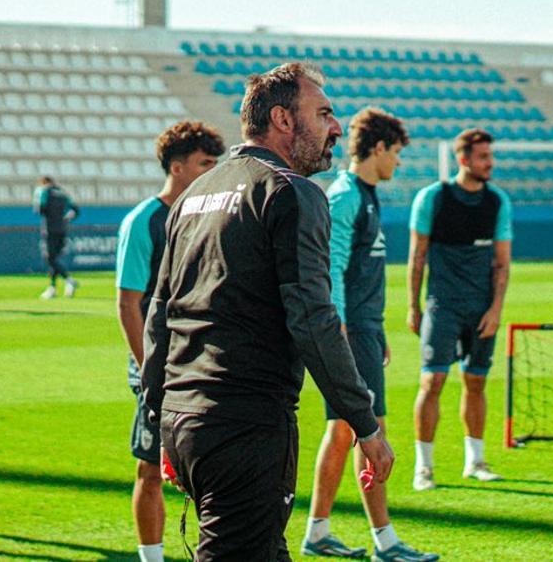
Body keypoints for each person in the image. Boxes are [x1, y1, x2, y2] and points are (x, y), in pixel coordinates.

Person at [141, 63, 394, 561]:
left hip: (183, 419)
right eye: (323, 114)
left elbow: (161, 314)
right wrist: (366, 425)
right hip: (246, 425)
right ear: (282, 119)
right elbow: (313, 320)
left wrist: (158, 417)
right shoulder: (292, 192)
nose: (336, 128)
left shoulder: (195, 194)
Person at [302, 108, 437, 562]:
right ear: (378, 148)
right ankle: (386, 542)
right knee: (369, 431)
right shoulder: (345, 197)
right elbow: (331, 266)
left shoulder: (368, 194)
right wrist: (340, 329)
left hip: (364, 329)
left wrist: (375, 331)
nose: (398, 163)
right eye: (396, 153)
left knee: (343, 431)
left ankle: (318, 533)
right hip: (349, 331)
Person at [116, 121, 225, 562]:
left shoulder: (210, 215)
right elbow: (128, 303)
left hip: (201, 364)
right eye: (205, 164)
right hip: (157, 368)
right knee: (150, 465)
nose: (212, 172)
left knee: (205, 466)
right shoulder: (146, 221)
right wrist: (150, 370)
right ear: (177, 168)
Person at [407, 128, 512, 491]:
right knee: (432, 380)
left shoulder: (497, 202)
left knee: (476, 380)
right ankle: (424, 468)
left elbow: (501, 263)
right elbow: (417, 256)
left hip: (481, 309)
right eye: (483, 157)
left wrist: (496, 309)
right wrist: (413, 306)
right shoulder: (433, 198)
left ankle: (476, 461)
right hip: (443, 306)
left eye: (491, 157)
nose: (490, 164)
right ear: (463, 159)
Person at [33, 175, 80, 299]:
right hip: (62, 229)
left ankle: (69, 280)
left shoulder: (44, 191)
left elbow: (40, 209)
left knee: (49, 258)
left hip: (49, 229)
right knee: (54, 259)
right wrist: (66, 218)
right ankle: (52, 288)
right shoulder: (62, 193)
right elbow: (75, 210)